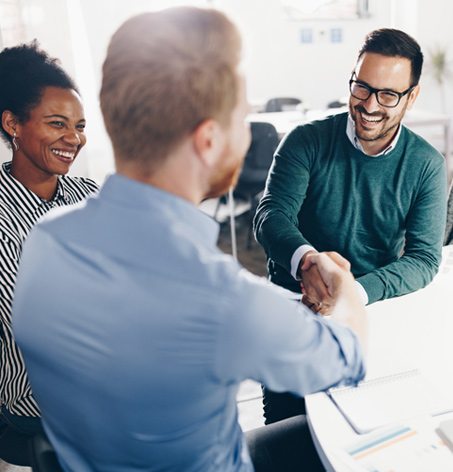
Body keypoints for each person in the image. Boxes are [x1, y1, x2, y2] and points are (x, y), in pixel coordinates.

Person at [12, 8, 366, 472]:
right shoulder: (221, 297)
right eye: (243, 118)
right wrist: (346, 289)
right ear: (208, 140)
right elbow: (346, 361)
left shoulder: (43, 239)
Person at [254, 28, 447, 424]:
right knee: (287, 428)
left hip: (369, 314)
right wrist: (309, 265)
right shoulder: (305, 141)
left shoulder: (427, 164)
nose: (370, 105)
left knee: (361, 427)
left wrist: (350, 293)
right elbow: (271, 214)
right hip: (291, 309)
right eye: (362, 87)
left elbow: (425, 259)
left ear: (412, 98)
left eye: (388, 94)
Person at [0, 41, 99, 451]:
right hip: (39, 406)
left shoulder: (90, 195)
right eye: (57, 124)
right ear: (13, 124)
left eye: (78, 125)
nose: (74, 139)